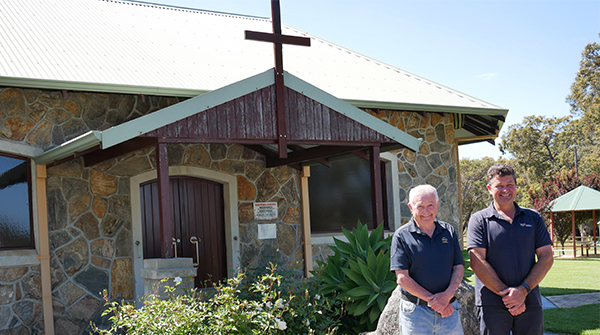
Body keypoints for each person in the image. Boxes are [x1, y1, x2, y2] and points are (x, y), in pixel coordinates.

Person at [467, 164, 554, 335]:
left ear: (515, 186)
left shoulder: (533, 217)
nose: (505, 190)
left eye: (509, 185)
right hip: (491, 304)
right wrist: (509, 296)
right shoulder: (479, 220)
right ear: (489, 189)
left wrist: (522, 291)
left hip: (530, 301)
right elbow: (477, 262)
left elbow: (546, 257)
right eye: (499, 186)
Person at [390, 184, 464, 335]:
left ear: (437, 206)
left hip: (449, 309)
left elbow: (458, 267)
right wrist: (435, 302)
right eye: (420, 206)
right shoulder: (401, 236)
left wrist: (447, 296)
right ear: (411, 207)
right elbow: (402, 278)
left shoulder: (448, 232)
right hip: (416, 312)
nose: (426, 212)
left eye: (430, 205)